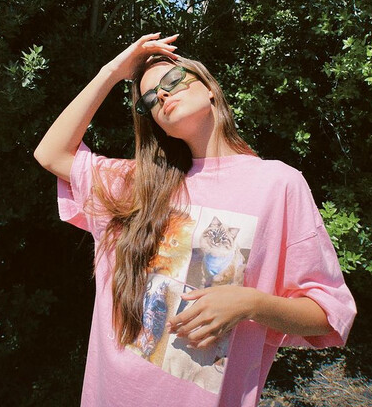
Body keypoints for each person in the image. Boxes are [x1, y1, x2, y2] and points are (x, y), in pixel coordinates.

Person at [34, 32, 357, 407]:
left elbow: (330, 314)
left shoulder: (278, 185)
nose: (162, 95)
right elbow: (50, 153)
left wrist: (250, 304)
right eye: (148, 99)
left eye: (172, 80)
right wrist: (112, 72)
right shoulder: (138, 183)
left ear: (210, 89)